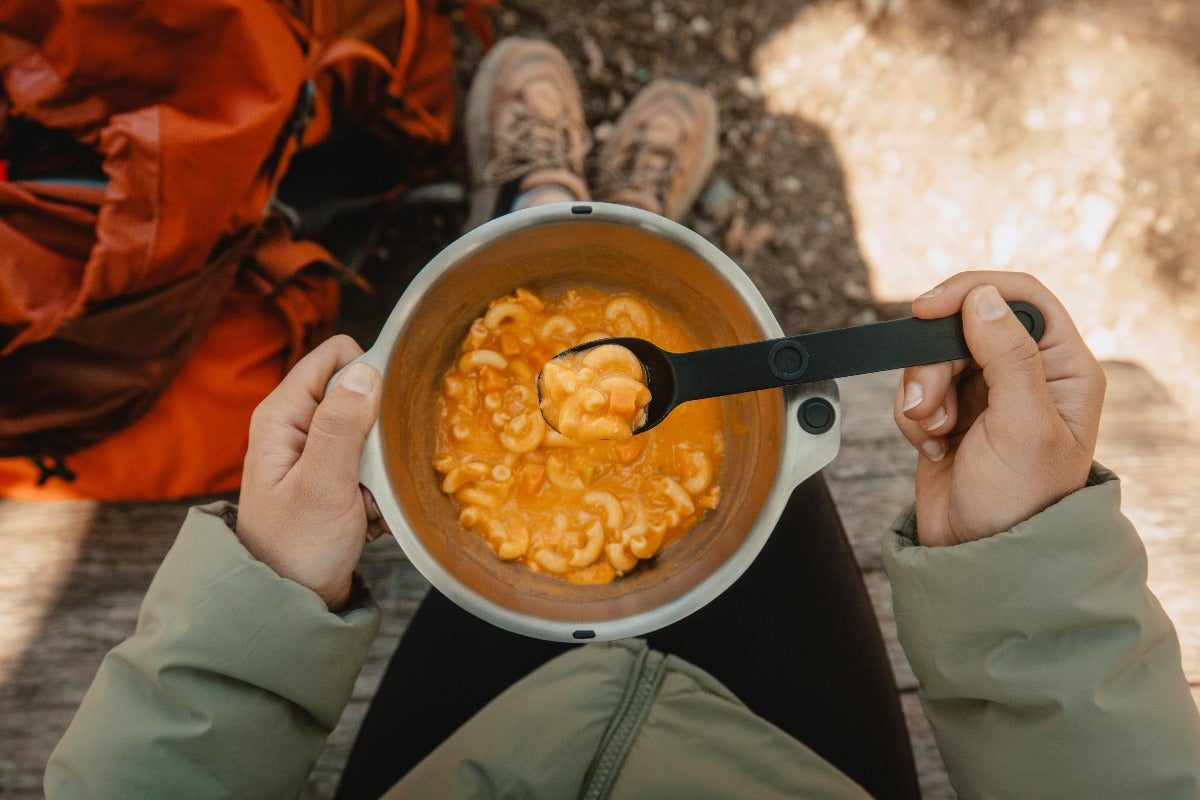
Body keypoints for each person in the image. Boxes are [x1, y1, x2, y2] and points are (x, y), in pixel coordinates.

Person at [44, 38, 1200, 800]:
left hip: (458, 762)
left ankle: (560, 206)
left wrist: (263, 599)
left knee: (693, 440)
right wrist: (1024, 568)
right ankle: (622, 215)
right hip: (801, 760)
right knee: (770, 500)